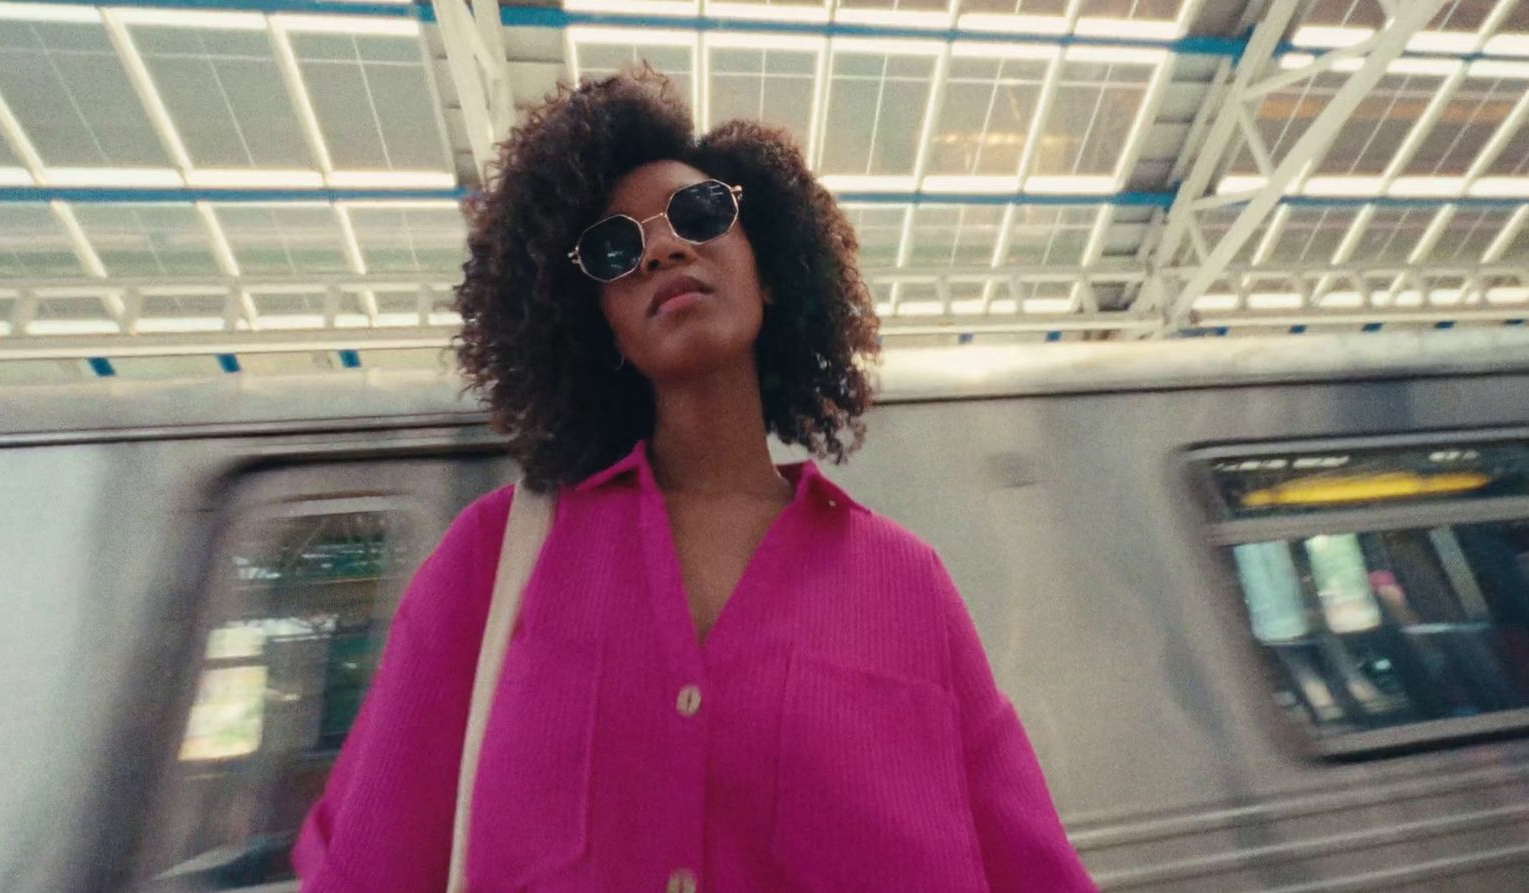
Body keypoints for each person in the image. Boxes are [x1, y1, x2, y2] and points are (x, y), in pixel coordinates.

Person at [292, 67, 1096, 892]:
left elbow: (1033, 871)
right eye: (616, 249)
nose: (663, 247)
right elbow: (364, 866)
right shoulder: (492, 562)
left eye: (700, 213)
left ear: (773, 267)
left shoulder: (908, 586)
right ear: (597, 321)